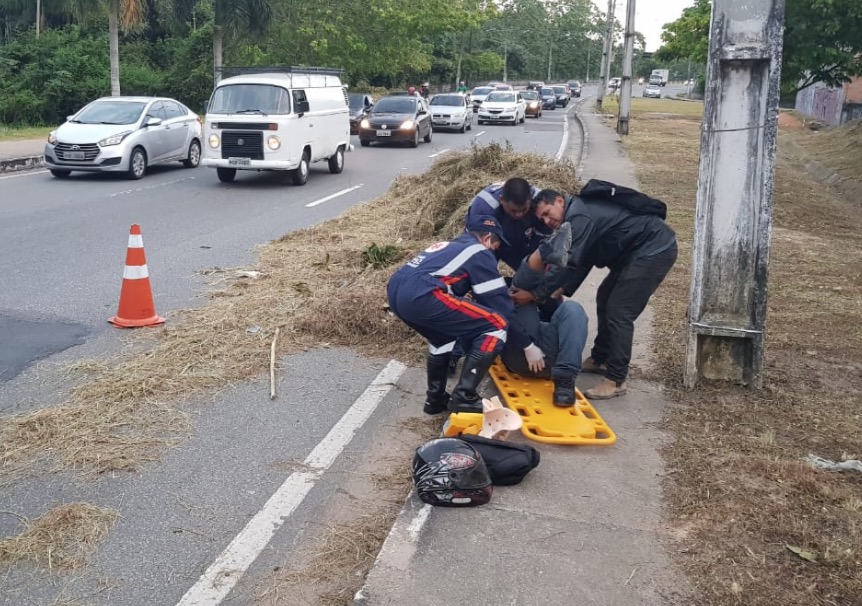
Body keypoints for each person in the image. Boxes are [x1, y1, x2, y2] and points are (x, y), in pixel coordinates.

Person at [521, 186, 677, 400]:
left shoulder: (579, 217)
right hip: (634, 253)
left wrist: (537, 294)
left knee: (620, 311)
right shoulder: (577, 215)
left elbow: (566, 261)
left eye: (547, 213)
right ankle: (600, 358)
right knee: (604, 296)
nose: (547, 222)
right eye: (542, 219)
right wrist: (562, 288)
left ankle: (616, 379)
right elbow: (584, 258)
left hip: (652, 249)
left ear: (559, 201)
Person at [387, 214, 549, 415]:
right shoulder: (478, 251)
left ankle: (435, 399)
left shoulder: (452, 245)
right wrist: (527, 345)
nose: (496, 249)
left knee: (442, 338)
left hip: (396, 291)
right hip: (422, 294)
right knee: (497, 324)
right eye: (497, 243)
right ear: (487, 238)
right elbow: (501, 305)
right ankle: (464, 396)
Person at [500, 224, 589, 407]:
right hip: (521, 352)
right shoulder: (506, 289)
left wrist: (539, 296)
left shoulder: (549, 291)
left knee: (573, 309)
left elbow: (565, 324)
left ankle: (565, 381)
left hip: (552, 359)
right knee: (517, 292)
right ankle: (544, 250)